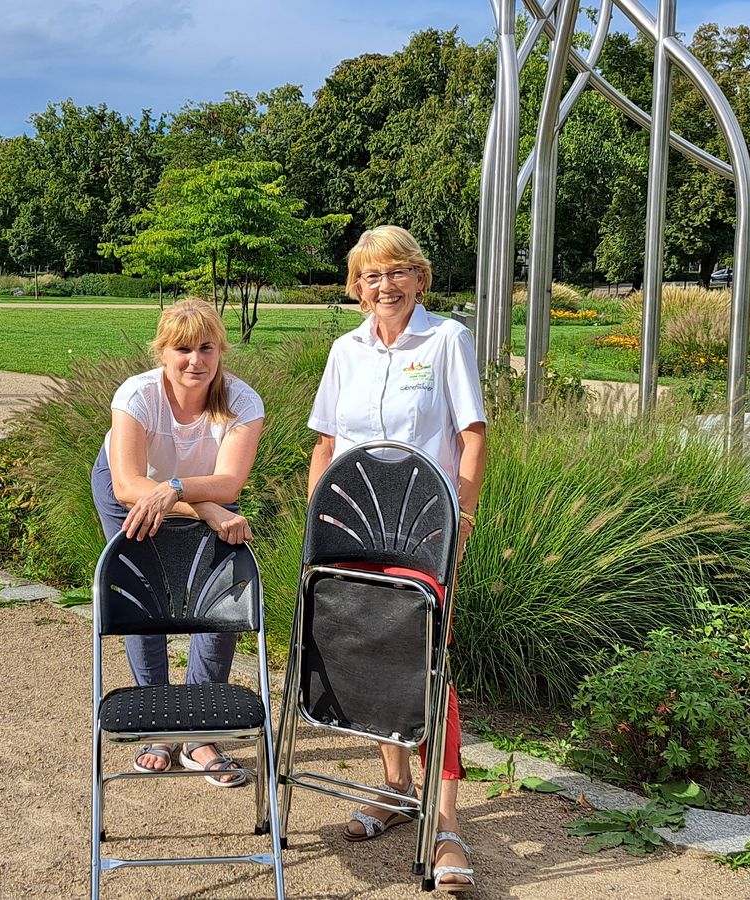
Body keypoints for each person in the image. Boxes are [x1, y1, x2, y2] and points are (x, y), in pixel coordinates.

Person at [306, 226, 486, 893]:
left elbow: (471, 436)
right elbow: (325, 444)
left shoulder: (446, 340)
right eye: (371, 276)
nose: (385, 286)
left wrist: (460, 520)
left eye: (397, 273)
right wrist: (316, 527)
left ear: (419, 279)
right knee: (368, 652)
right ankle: (394, 789)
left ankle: (445, 826)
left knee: (427, 664)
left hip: (423, 531)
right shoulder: (344, 350)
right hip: (352, 527)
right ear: (357, 286)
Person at [91, 298, 265, 787]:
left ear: (221, 351)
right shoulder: (138, 395)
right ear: (162, 353)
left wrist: (185, 492)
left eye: (206, 347)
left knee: (221, 596)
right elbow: (128, 486)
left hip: (192, 490)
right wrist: (204, 508)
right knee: (142, 593)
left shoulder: (243, 403)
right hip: (131, 490)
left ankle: (198, 731)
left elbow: (228, 483)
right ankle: (157, 728)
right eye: (182, 348)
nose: (196, 360)